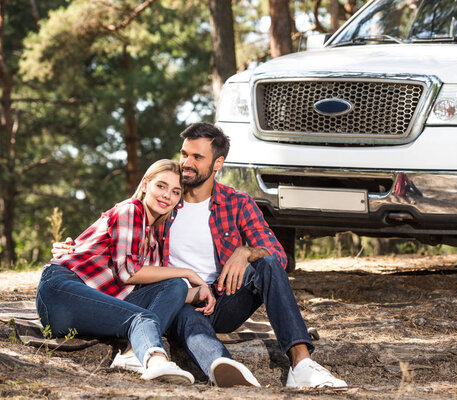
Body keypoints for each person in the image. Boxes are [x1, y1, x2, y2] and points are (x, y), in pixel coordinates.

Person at [54, 124, 347, 388]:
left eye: (197, 157)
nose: (187, 163)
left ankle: (302, 364)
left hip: (224, 298)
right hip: (177, 298)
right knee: (181, 299)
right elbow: (121, 226)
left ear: (218, 163)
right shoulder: (164, 201)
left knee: (267, 263)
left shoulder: (237, 202)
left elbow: (279, 258)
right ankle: (221, 363)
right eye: (185, 154)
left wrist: (246, 252)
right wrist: (76, 247)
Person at [40, 159, 216, 385]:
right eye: (160, 186)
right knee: (144, 315)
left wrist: (201, 292)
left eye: (175, 191)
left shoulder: (151, 243)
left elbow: (153, 293)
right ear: (145, 185)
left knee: (176, 285)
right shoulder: (131, 209)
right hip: (62, 292)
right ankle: (156, 360)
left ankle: (131, 355)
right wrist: (189, 273)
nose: (166, 196)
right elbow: (128, 273)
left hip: (97, 305)